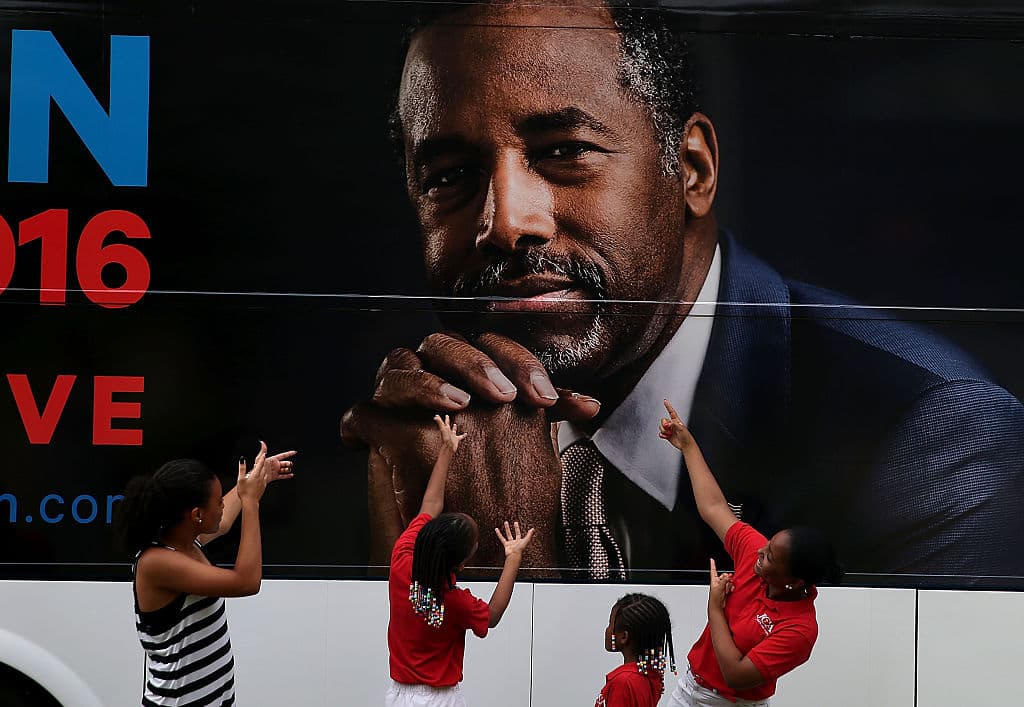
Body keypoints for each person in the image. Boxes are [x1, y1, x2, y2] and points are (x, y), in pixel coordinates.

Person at [341, 0, 1024, 578]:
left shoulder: (934, 443)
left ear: (691, 169)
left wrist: (496, 567)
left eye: (564, 151)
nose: (507, 222)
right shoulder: (421, 438)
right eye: (449, 176)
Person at [660, 398, 842, 706]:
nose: (760, 553)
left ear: (794, 581)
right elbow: (714, 507)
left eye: (770, 557)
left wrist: (715, 608)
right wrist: (687, 445)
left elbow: (737, 674)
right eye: (767, 546)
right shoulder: (754, 551)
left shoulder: (800, 629)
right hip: (689, 689)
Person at [115, 443, 296, 706]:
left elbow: (224, 521)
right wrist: (250, 502)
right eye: (218, 501)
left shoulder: (187, 542)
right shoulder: (157, 562)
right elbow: (246, 582)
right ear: (197, 515)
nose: (223, 505)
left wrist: (257, 477)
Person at [387, 414, 536, 707]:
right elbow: (492, 616)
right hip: (438, 698)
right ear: (460, 565)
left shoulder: (402, 558)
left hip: (399, 694)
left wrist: (446, 450)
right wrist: (513, 558)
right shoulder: (456, 603)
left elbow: (430, 504)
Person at [596, 593, 676, 707]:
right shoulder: (649, 674)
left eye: (610, 624)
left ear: (624, 637)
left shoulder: (623, 683)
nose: (607, 630)